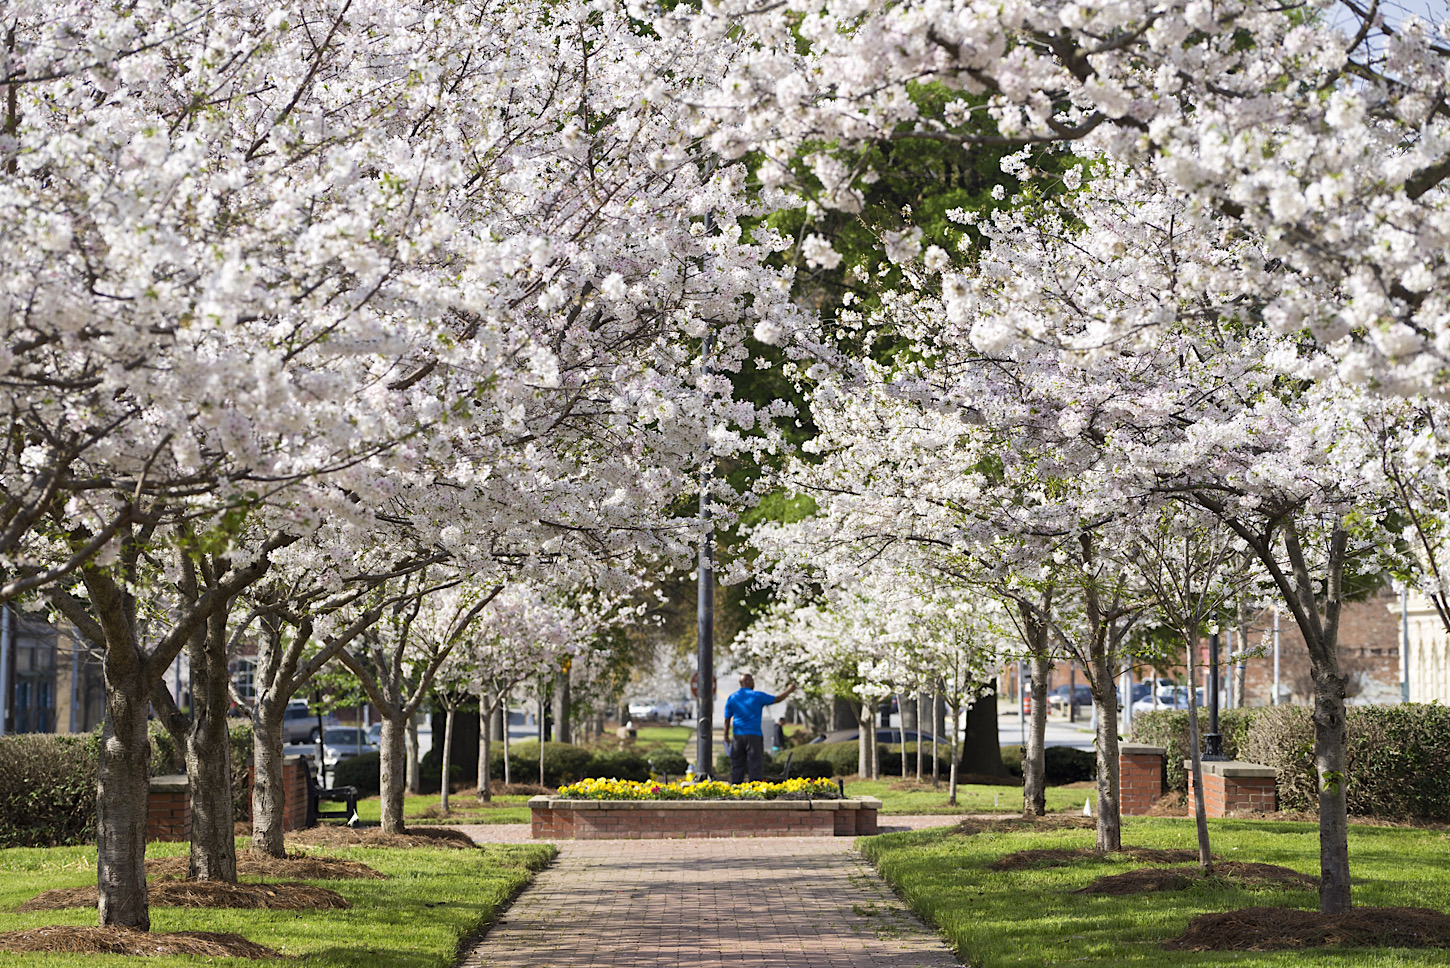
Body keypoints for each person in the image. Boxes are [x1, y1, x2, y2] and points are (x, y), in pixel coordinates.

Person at [722, 673, 796, 783]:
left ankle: (736, 790)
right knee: (755, 765)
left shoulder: (732, 698)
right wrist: (789, 690)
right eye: (752, 680)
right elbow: (777, 699)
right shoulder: (757, 696)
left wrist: (726, 735)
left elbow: (727, 719)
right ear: (747, 682)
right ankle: (755, 791)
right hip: (754, 736)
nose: (754, 683)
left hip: (737, 736)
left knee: (737, 765)